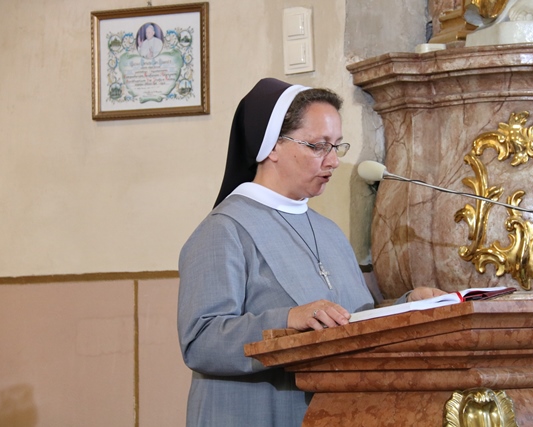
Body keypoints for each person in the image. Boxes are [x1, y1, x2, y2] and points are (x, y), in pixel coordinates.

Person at [177, 78, 445, 427]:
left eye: (337, 146)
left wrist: (409, 308)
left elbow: (352, 322)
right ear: (272, 146)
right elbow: (200, 342)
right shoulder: (224, 230)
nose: (333, 161)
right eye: (319, 146)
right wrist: (287, 320)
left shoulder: (329, 231)